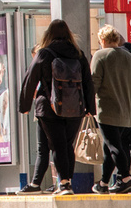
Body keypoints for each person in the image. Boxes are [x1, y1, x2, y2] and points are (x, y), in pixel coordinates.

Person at [17, 20, 95, 197]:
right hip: (75, 107)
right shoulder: (78, 54)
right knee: (67, 145)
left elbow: (30, 79)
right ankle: (67, 182)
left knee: (57, 146)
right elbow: (88, 82)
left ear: (49, 34)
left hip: (48, 106)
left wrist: (25, 105)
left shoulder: (45, 53)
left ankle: (65, 184)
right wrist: (90, 107)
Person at [91, 26, 131, 193]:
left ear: (103, 40)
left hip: (107, 110)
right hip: (128, 112)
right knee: (113, 147)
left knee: (114, 146)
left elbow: (94, 83)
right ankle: (104, 183)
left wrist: (88, 105)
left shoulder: (100, 55)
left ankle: (125, 178)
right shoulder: (130, 57)